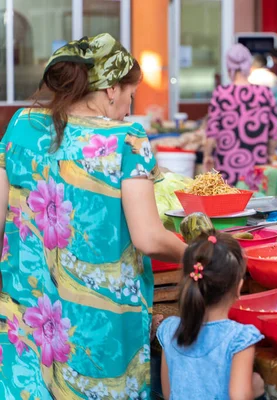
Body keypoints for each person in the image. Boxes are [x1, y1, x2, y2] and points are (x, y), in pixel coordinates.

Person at [0, 33, 186, 398]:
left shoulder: (20, 125)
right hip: (98, 326)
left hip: (28, 314)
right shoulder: (125, 138)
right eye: (130, 96)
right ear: (112, 88)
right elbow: (148, 237)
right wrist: (196, 253)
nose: (129, 109)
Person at [158, 232, 265, 400]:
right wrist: (255, 389)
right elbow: (240, 397)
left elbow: (168, 393)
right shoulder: (239, 338)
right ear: (238, 287)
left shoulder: (170, 330)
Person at [204, 44, 277, 185]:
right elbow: (273, 133)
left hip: (227, 167)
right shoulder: (265, 93)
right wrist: (270, 154)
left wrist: (207, 155)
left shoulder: (221, 93)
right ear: (248, 65)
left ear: (228, 66)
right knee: (255, 204)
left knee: (229, 203)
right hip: (257, 167)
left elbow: (211, 134)